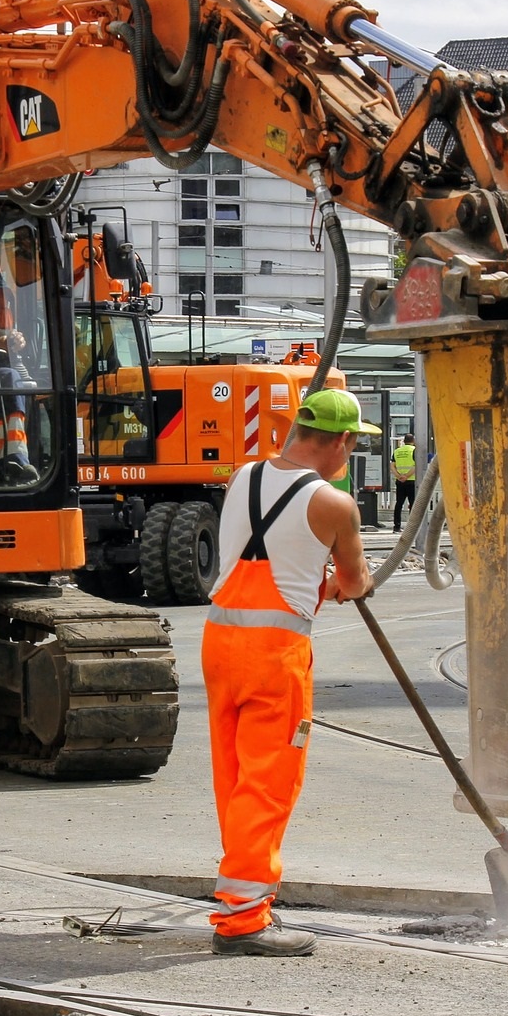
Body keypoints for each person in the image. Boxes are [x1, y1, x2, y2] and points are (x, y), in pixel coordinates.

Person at [203, 387, 376, 957]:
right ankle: (245, 919)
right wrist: (343, 577)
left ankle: (239, 896)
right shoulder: (334, 504)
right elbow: (353, 584)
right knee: (269, 780)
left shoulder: (241, 478)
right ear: (343, 441)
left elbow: (269, 551)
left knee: (233, 773)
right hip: (274, 654)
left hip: (220, 641)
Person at [391, 434, 417, 532]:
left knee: (399, 504)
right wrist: (407, 476)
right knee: (413, 504)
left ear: (404, 441)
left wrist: (399, 476)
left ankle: (396, 526)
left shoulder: (397, 451)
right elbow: (416, 465)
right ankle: (411, 528)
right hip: (412, 481)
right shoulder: (414, 450)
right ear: (413, 440)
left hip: (400, 482)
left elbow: (392, 465)